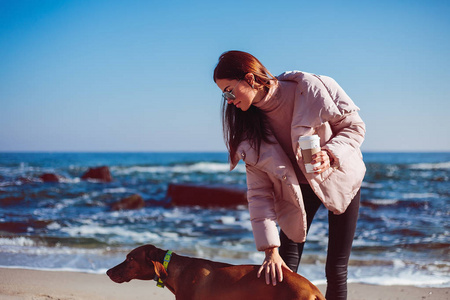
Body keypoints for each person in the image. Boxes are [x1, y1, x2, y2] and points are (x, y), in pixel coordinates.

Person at [213, 50, 366, 300]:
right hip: (296, 191)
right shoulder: (248, 130)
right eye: (223, 94)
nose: (228, 99)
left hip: (338, 176)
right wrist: (269, 249)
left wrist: (330, 153)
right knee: (280, 270)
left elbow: (354, 126)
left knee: (336, 268)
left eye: (229, 90)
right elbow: (259, 194)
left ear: (250, 79)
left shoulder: (312, 88)